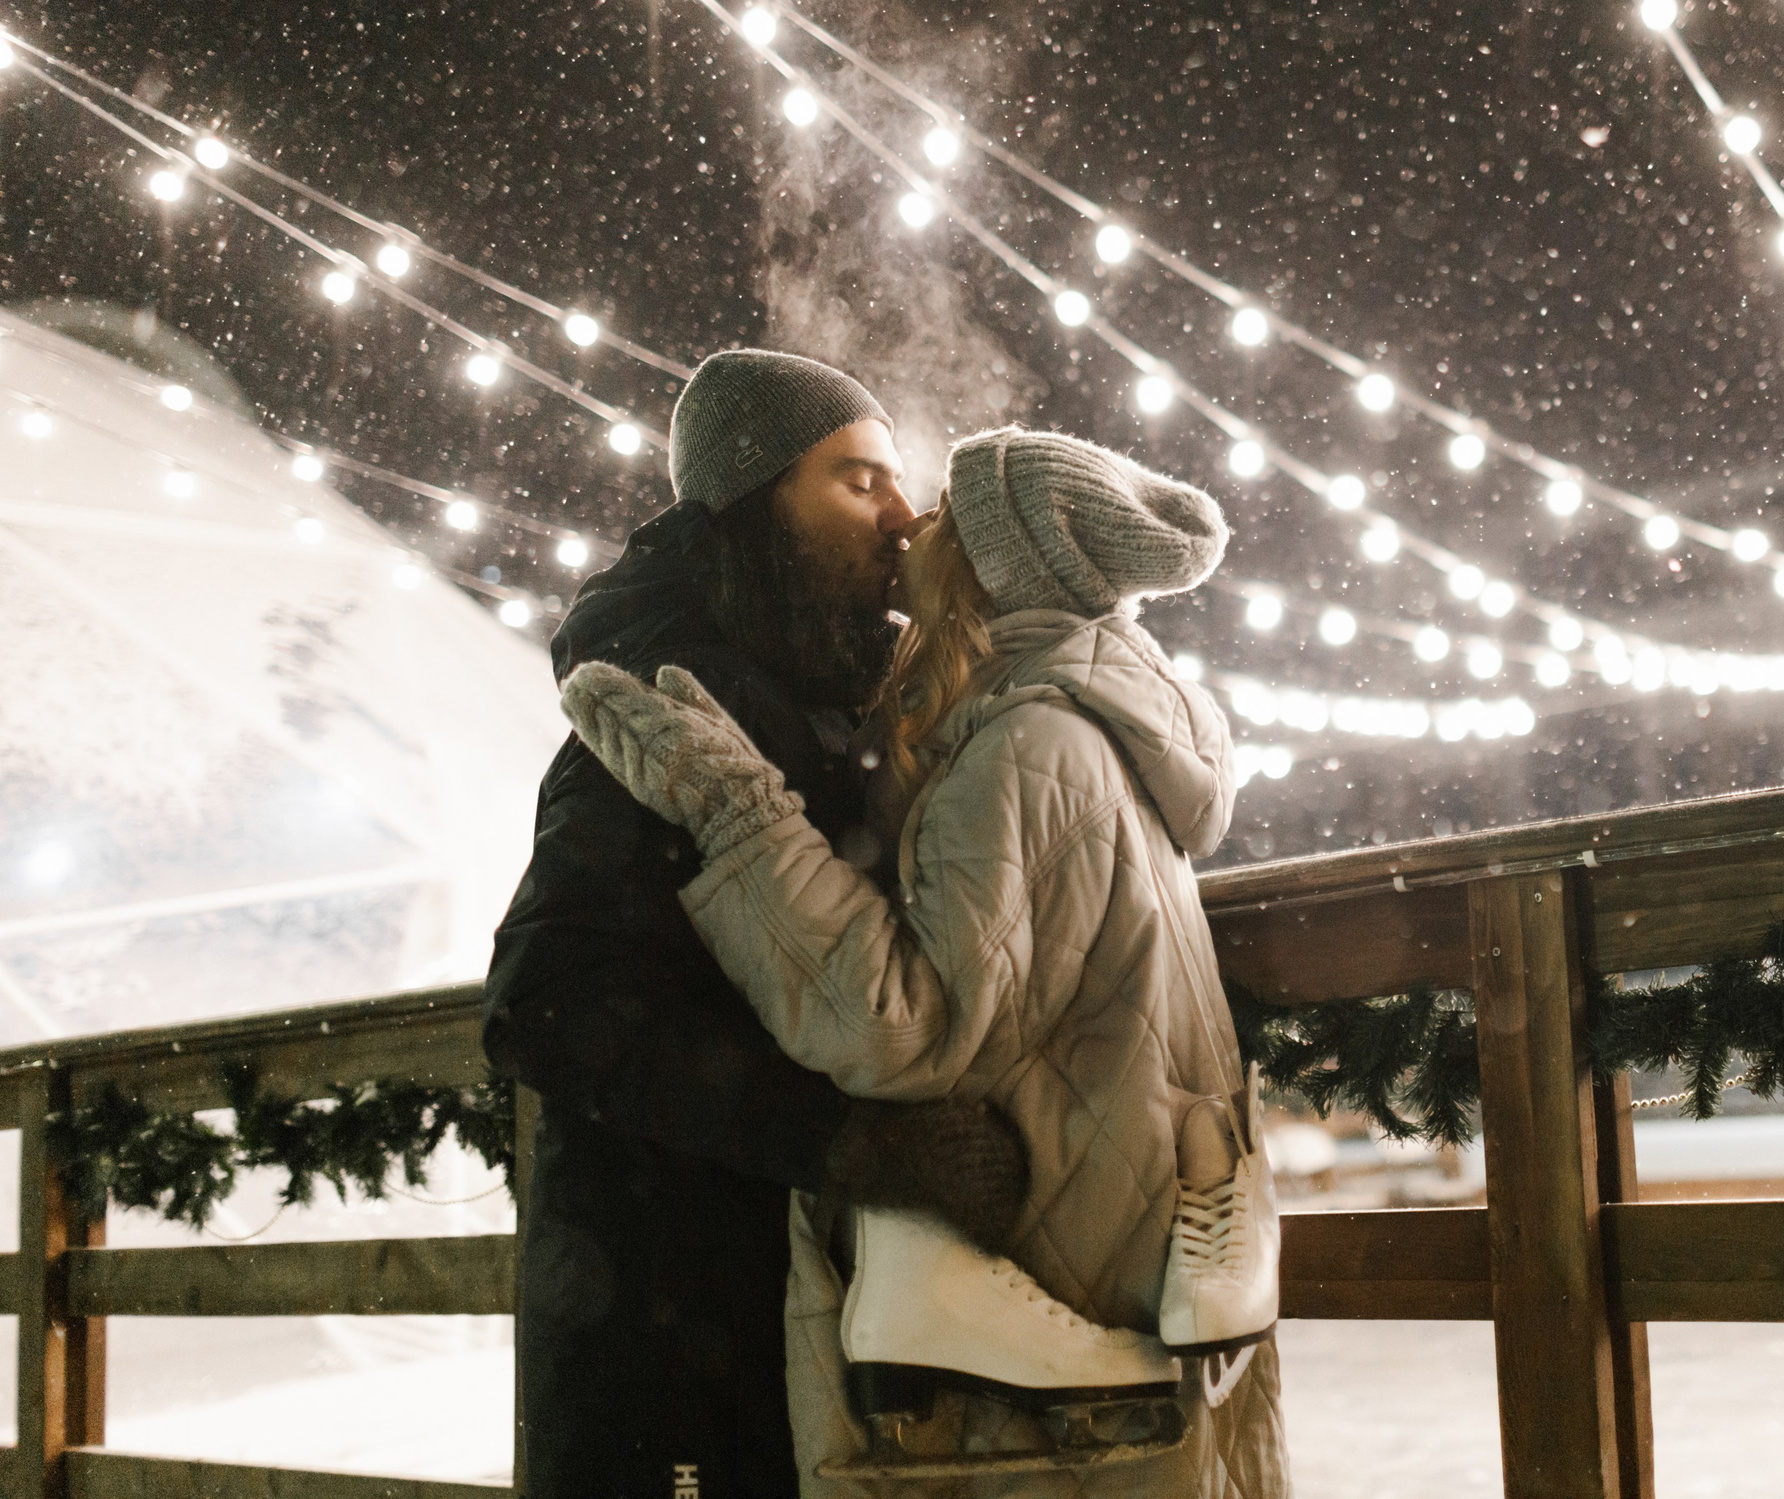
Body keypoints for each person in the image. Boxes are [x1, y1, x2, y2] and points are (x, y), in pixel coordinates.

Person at [562, 426, 1288, 1497]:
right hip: (1086, 1266)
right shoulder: (1073, 727)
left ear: (1001, 561)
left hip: (1035, 1305)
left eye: (945, 510)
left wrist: (740, 816)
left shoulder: (1027, 749)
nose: (911, 525)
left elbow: (910, 1030)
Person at [484, 351, 1031, 1498]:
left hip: (780, 1301)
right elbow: (551, 1002)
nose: (905, 513)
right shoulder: (665, 703)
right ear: (754, 501)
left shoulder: (831, 691)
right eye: (858, 480)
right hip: (666, 1313)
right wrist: (842, 1142)